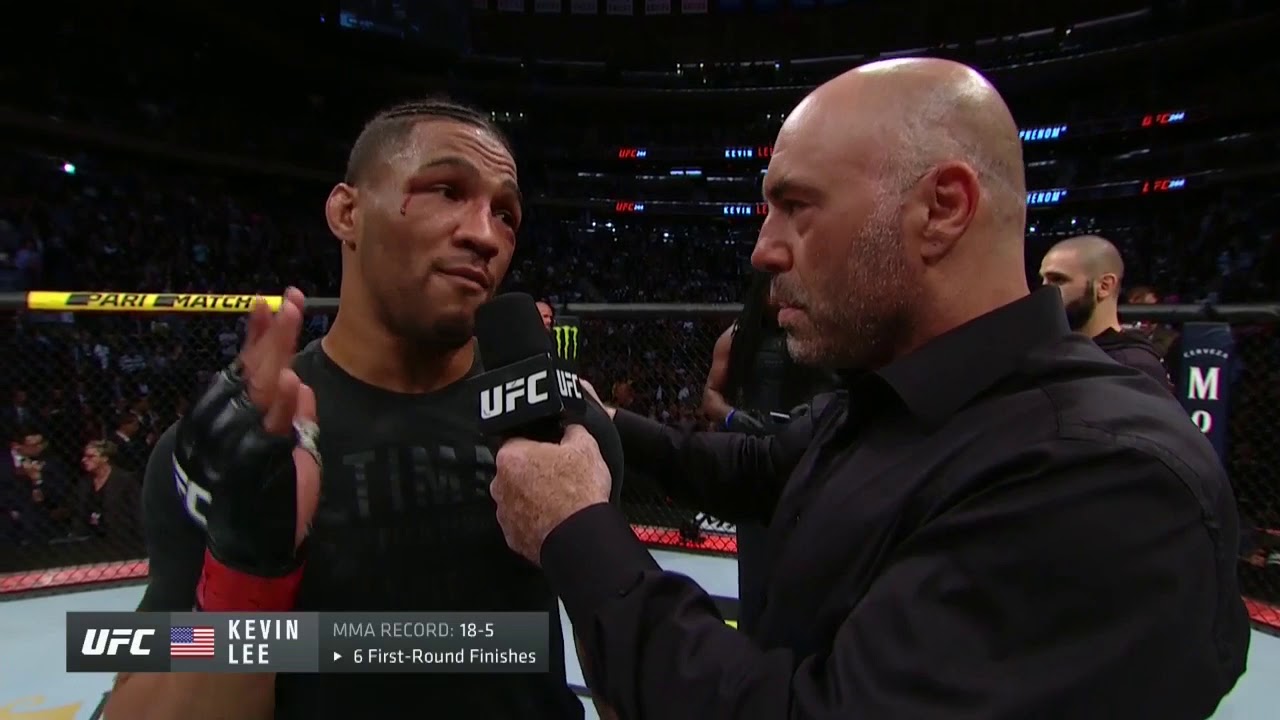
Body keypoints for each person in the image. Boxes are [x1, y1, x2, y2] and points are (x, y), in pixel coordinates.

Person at [488, 59, 1249, 719]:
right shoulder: (904, 395)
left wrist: (575, 530)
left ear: (942, 209)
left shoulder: (1102, 477)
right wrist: (599, 412)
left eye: (796, 206)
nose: (763, 249)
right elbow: (758, 466)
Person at [104, 99, 625, 720]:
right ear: (347, 212)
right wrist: (246, 572)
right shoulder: (249, 444)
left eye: (505, 214)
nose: (485, 236)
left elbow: (618, 666)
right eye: (446, 190)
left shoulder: (563, 431)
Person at [701, 269, 835, 634]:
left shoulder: (814, 335)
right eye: (772, 287)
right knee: (755, 561)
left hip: (805, 457)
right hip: (756, 455)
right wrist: (733, 416)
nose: (779, 296)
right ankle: (753, 637)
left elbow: (841, 387)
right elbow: (710, 395)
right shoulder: (737, 338)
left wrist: (815, 411)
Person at [1038, 234, 1171, 387]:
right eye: (1043, 280)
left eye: (1058, 280)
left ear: (1104, 286)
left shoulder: (1134, 368)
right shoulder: (1051, 354)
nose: (1044, 291)